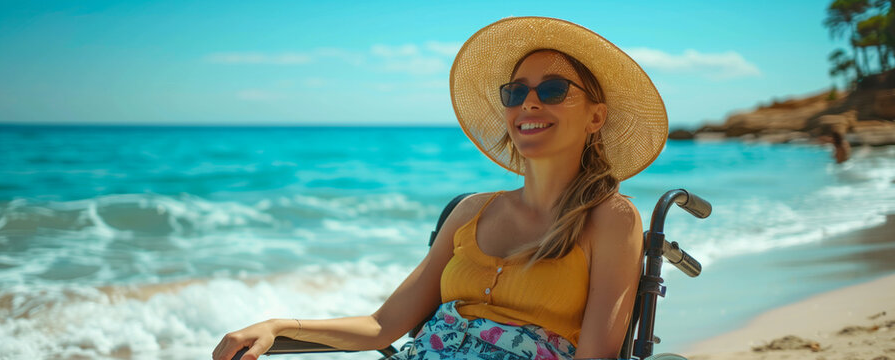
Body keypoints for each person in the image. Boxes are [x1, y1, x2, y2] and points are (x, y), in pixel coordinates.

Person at [212, 16, 668, 360]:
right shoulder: (472, 211)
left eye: (552, 89)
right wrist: (276, 325)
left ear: (595, 117)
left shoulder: (611, 218)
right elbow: (382, 325)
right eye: (515, 92)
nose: (529, 101)